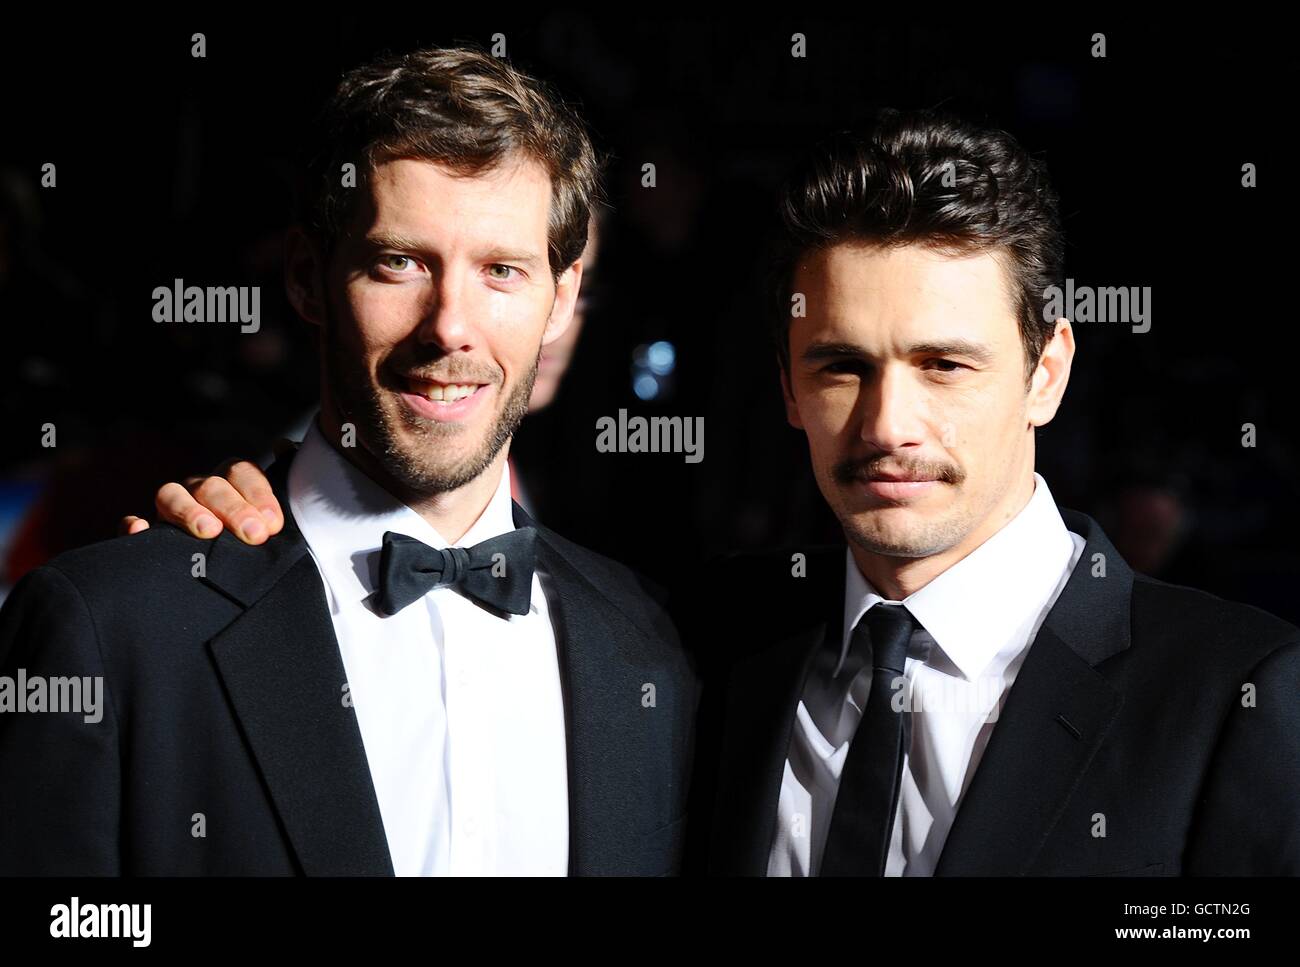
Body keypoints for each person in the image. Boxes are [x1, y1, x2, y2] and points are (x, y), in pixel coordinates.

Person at [116, 110, 1300, 877]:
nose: (887, 424)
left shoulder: (1233, 693)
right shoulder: (700, 650)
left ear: (1047, 370)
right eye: (840, 365)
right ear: (786, 385)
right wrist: (225, 554)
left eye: (946, 364)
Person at [0, 46, 696, 876]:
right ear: (306, 277)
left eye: (501, 271)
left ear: (564, 298)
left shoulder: (660, 650)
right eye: (398, 262)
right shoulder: (113, 626)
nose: (450, 327)